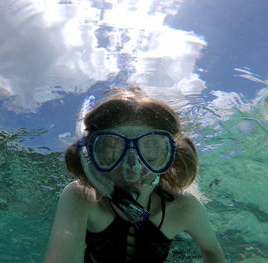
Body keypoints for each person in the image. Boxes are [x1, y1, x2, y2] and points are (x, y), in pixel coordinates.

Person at [44, 87, 226, 263]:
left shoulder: (184, 207)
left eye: (151, 153)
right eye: (111, 153)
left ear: (171, 156)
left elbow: (211, 251)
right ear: (90, 157)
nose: (132, 171)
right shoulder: (82, 197)